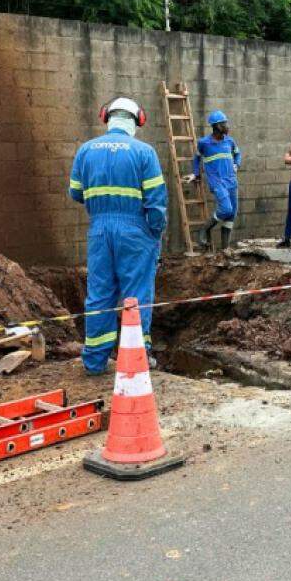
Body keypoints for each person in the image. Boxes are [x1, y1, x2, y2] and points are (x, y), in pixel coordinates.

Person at [68, 97, 167, 375]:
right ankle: (137, 360)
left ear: (106, 118)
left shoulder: (86, 150)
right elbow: (156, 202)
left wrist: (102, 205)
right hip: (136, 231)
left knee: (99, 295)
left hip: (100, 230)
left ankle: (94, 362)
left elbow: (75, 192)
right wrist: (154, 232)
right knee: (136, 296)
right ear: (137, 121)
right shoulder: (144, 152)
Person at [190, 109, 241, 249]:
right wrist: (196, 173)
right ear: (216, 126)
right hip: (217, 182)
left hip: (231, 181)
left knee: (232, 214)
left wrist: (236, 164)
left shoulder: (230, 141)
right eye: (224, 123)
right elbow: (196, 158)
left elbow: (237, 154)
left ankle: (225, 249)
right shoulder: (204, 143)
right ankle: (204, 229)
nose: (227, 126)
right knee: (225, 209)